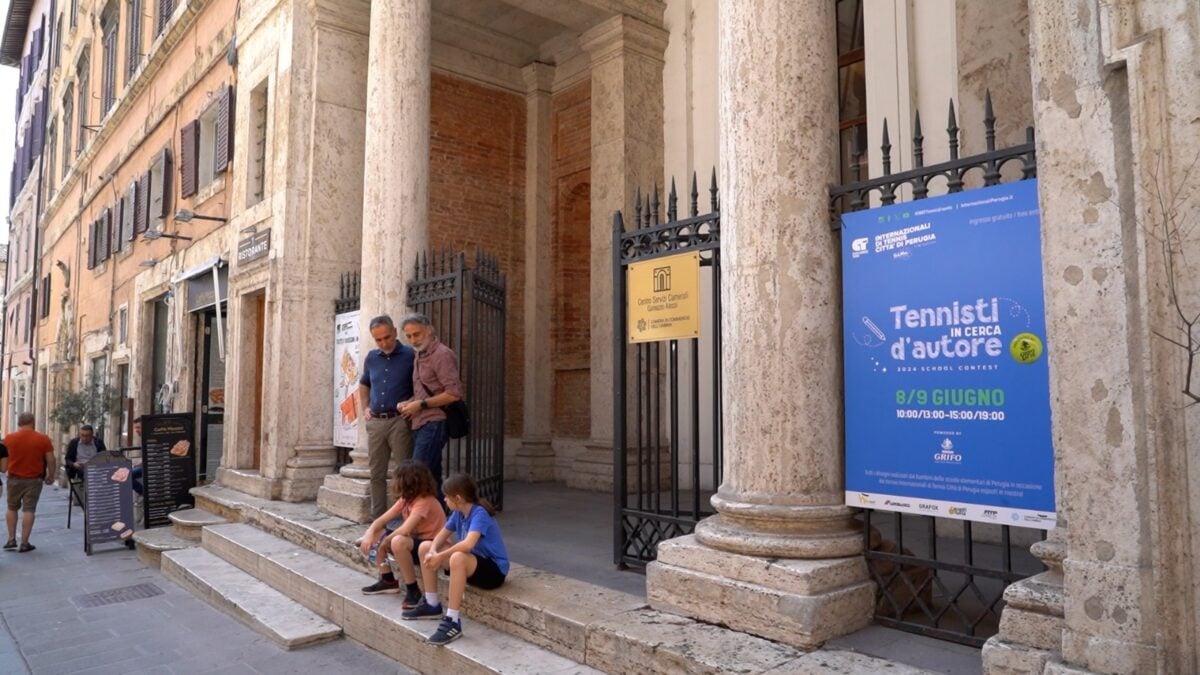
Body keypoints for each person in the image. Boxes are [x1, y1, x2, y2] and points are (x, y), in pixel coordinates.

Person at [402, 473, 510, 646]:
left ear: (458, 498)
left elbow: (467, 545)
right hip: (474, 564)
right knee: (424, 547)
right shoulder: (459, 513)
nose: (444, 499)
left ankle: (452, 620)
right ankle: (431, 603)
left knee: (458, 557)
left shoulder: (479, 513)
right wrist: (432, 551)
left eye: (446, 496)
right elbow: (440, 535)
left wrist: (441, 556)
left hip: (493, 571)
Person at [357, 460, 446, 607]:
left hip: (429, 547)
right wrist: (369, 535)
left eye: (397, 478)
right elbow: (381, 520)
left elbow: (405, 529)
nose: (394, 482)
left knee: (397, 541)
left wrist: (386, 541)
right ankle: (387, 580)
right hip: (415, 544)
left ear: (407, 481)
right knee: (377, 533)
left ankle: (413, 590)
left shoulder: (425, 501)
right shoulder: (406, 500)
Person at [397, 314, 462, 502]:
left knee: (415, 475)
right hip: (419, 422)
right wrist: (410, 402)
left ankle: (414, 521)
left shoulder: (442, 354)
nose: (413, 340)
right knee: (431, 476)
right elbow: (426, 391)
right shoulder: (419, 355)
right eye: (408, 336)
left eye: (416, 335)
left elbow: (453, 393)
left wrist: (421, 404)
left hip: (434, 422)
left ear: (429, 330)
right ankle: (442, 522)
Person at [360, 315, 416, 520]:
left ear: (394, 331)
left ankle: (405, 519)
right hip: (375, 422)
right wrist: (365, 407)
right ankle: (378, 520)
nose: (384, 343)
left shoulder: (410, 355)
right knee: (376, 474)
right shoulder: (371, 358)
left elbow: (420, 386)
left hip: (400, 421)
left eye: (386, 337)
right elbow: (364, 383)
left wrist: (411, 402)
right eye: (378, 340)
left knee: (403, 473)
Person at [1, 412, 57, 552]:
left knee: (12, 507)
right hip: (33, 479)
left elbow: (3, 460)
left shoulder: (9, 439)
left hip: (14, 478)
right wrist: (51, 475)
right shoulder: (43, 439)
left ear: (19, 423)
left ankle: (11, 539)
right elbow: (51, 459)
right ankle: (24, 543)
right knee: (29, 509)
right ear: (33, 422)